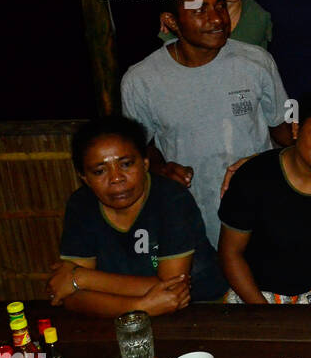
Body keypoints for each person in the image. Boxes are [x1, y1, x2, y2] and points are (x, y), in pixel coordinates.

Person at [122, 0, 292, 248]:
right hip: (192, 218)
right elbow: (140, 147)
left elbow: (282, 130)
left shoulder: (256, 62)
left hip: (260, 213)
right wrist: (160, 169)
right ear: (172, 21)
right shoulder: (141, 80)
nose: (217, 19)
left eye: (220, 6)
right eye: (200, 11)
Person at [48, 115, 227, 317]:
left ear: (145, 163)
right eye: (100, 171)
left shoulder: (171, 199)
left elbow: (174, 289)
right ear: (84, 178)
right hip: (126, 314)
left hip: (204, 308)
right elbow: (71, 296)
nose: (116, 178)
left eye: (126, 164)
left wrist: (81, 278)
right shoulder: (81, 206)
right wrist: (141, 308)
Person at [218, 88, 311, 304]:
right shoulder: (255, 177)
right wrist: (263, 313)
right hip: (256, 293)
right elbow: (230, 253)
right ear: (296, 129)